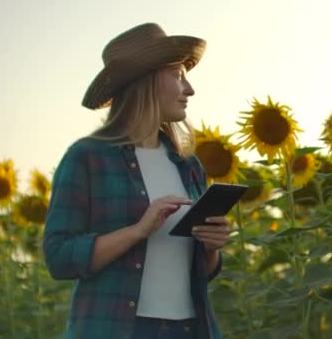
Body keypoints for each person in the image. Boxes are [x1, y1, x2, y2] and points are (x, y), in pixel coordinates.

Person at [43, 23, 229, 339]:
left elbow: (199, 272)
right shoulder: (87, 157)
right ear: (146, 80)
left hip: (190, 329)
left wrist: (211, 248)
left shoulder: (189, 166)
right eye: (178, 76)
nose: (189, 89)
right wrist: (138, 231)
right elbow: (59, 257)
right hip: (115, 330)